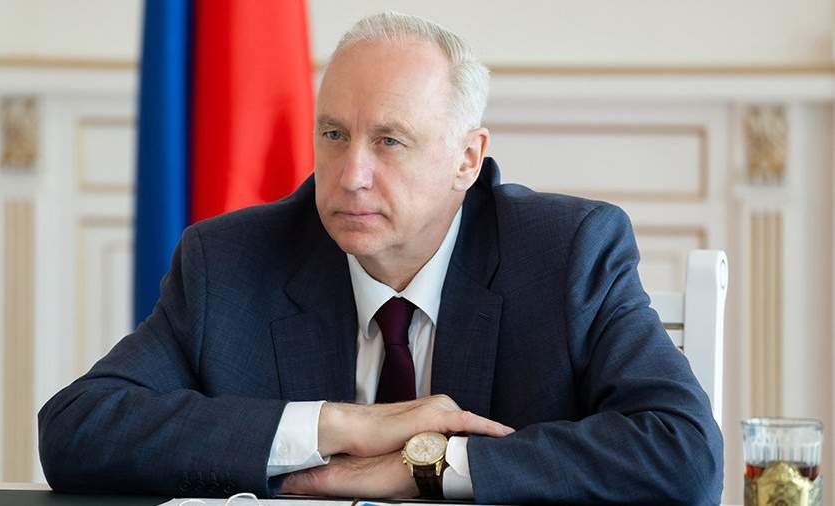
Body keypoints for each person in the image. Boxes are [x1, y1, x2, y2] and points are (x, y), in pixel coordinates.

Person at [38, 12, 723, 505]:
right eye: (334, 135)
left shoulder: (567, 253)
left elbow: (683, 452)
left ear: (467, 159)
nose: (351, 175)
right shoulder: (231, 261)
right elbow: (77, 430)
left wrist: (427, 466)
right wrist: (341, 426)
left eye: (390, 141)